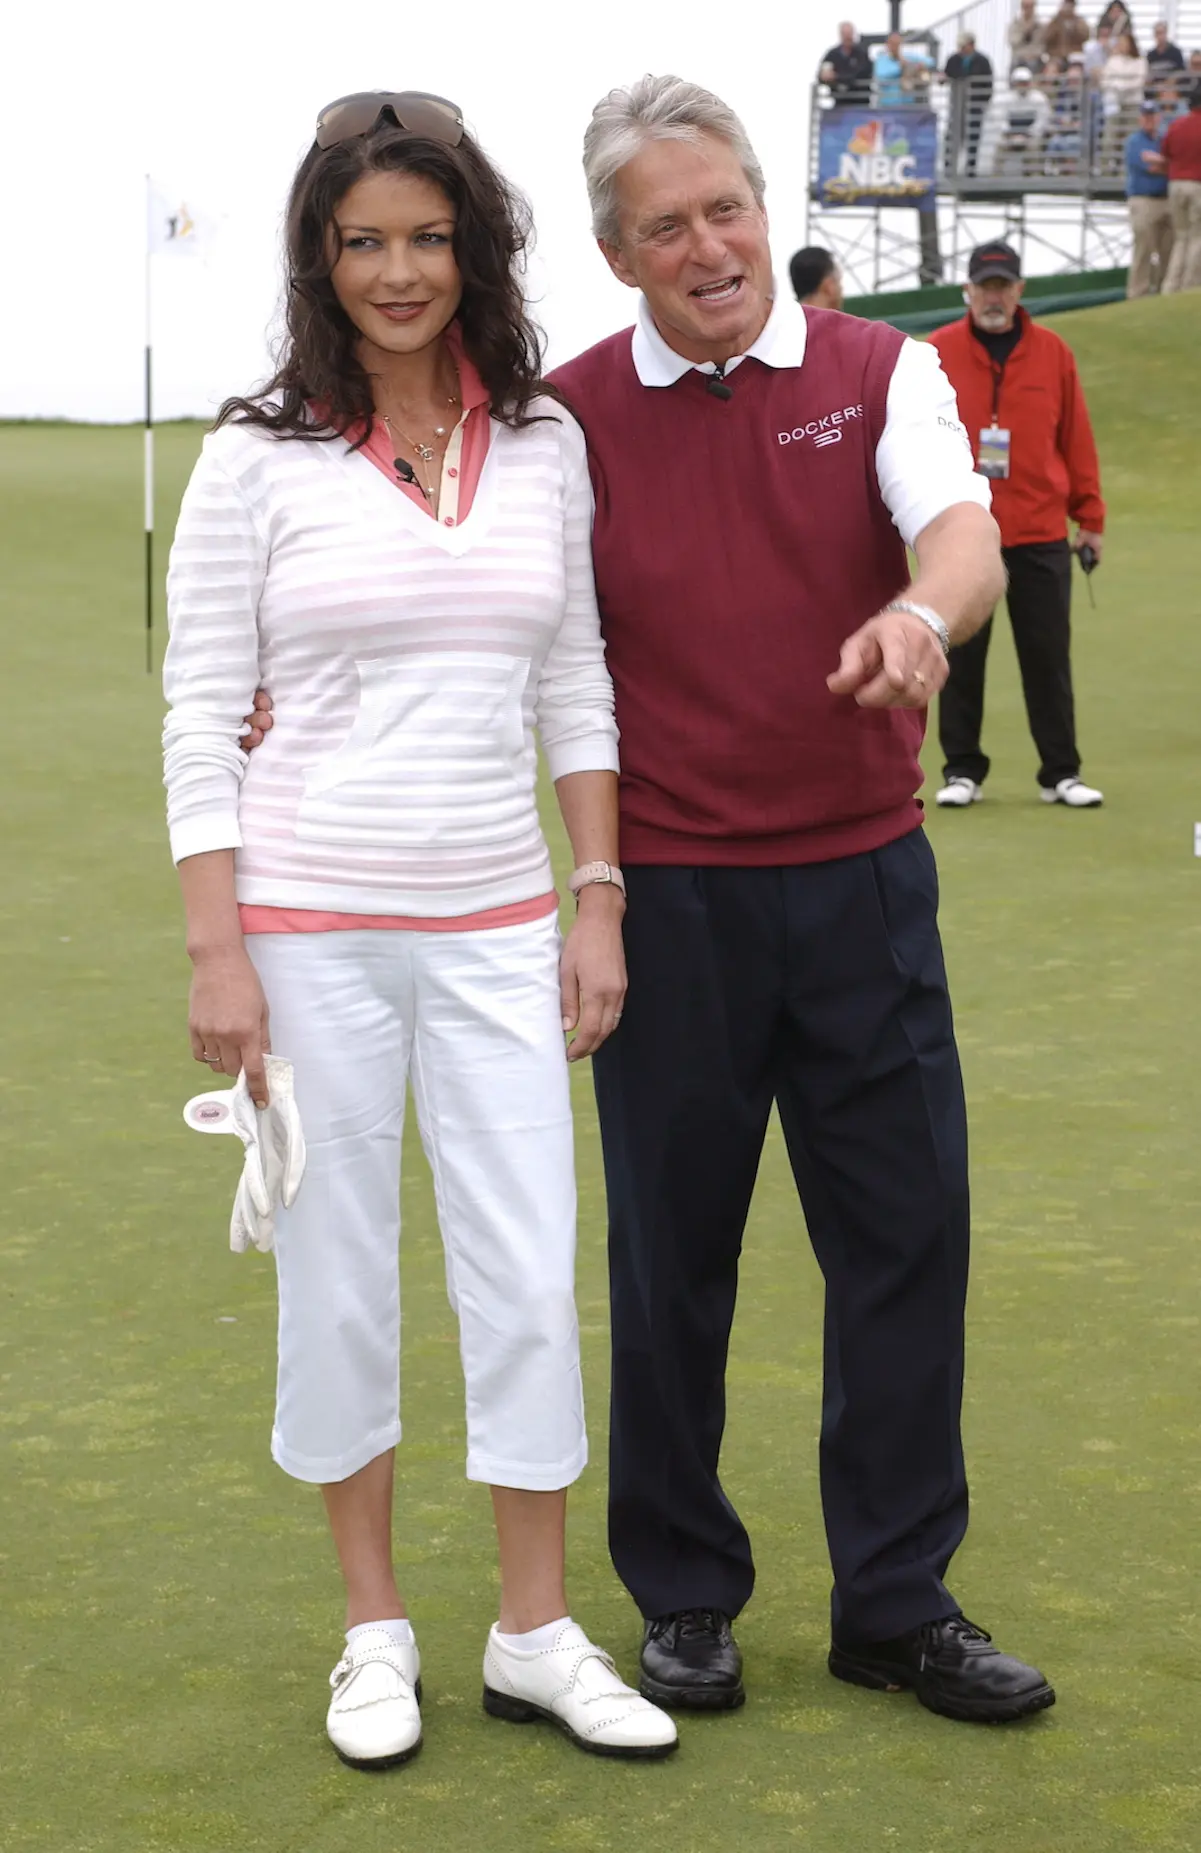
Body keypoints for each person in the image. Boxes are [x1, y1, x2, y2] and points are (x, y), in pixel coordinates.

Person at [162, 88, 678, 1770]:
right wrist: (215, 946)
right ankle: (371, 1626)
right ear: (322, 255)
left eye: (429, 238)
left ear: (476, 248)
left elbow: (576, 685)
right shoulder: (257, 456)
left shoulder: (544, 441)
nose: (400, 272)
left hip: (499, 918)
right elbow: (197, 715)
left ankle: (531, 1629)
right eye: (365, 241)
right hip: (307, 929)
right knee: (344, 1284)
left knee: (529, 1270)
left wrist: (596, 895)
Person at [549, 74, 1053, 1727]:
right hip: (677, 899)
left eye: (729, 207)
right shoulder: (571, 418)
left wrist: (921, 618)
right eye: (667, 224)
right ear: (618, 254)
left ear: (768, 211)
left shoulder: (875, 367)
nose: (710, 245)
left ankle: (895, 1600)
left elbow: (964, 538)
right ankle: (685, 1594)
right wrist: (599, 891)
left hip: (859, 887)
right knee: (672, 1256)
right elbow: (555, 670)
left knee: (905, 1240)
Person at [930, 242, 1106, 810]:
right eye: (985, 286)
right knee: (961, 655)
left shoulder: (1053, 353)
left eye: (1004, 286)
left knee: (1047, 656)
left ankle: (1061, 772)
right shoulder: (936, 352)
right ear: (968, 290)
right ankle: (961, 770)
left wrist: (1091, 518)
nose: (994, 297)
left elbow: (1075, 438)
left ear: (1020, 290)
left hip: (1040, 532)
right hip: (965, 534)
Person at [1125, 97, 1174, 295]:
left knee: (1168, 249)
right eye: (1145, 116)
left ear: (1159, 117)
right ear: (1140, 119)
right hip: (1143, 200)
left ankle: (1165, 291)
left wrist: (1164, 163)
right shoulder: (1134, 141)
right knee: (1143, 249)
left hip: (1166, 199)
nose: (1149, 119)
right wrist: (1167, 164)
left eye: (1152, 115)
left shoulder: (1164, 139)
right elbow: (1150, 167)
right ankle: (1138, 292)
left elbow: (1169, 164)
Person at [1159, 81, 1201, 290]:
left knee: (1181, 238)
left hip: (1175, 185)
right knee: (1197, 238)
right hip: (1197, 185)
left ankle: (1170, 285)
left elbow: (1165, 153)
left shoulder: (1177, 125)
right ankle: (1189, 285)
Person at [980, 66, 1052, 176]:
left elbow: (1042, 121)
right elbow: (1000, 120)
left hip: (1031, 137)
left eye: (1025, 83)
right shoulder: (1005, 99)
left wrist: (1028, 135)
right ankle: (996, 179)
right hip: (1010, 136)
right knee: (1000, 147)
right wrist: (1011, 134)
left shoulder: (1039, 98)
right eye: (1020, 83)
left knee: (1034, 148)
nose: (1022, 86)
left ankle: (1033, 179)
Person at [942, 33, 995, 174]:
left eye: (964, 46)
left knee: (973, 137)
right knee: (952, 137)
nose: (961, 49)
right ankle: (949, 167)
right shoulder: (953, 59)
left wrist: (982, 103)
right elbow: (946, 75)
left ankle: (970, 169)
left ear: (972, 45)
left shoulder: (982, 61)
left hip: (974, 106)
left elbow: (988, 84)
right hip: (957, 105)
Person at [1101, 30, 1148, 168]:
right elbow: (1105, 81)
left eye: (1124, 43)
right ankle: (1106, 171)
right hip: (1114, 104)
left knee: (1130, 138)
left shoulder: (1140, 61)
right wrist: (1118, 85)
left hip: (1133, 104)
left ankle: (1126, 171)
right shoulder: (1112, 61)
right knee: (1110, 138)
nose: (1121, 45)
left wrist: (1120, 84)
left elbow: (1139, 81)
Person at [873, 32, 935, 107]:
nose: (895, 46)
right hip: (888, 105)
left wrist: (919, 65)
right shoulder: (881, 59)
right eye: (893, 43)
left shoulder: (907, 56)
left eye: (898, 43)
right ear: (887, 44)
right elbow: (881, 75)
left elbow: (930, 61)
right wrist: (899, 68)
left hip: (908, 104)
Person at [819, 21, 873, 105]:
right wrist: (825, 76)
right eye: (845, 34)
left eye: (849, 34)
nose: (848, 37)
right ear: (840, 35)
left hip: (860, 104)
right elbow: (821, 76)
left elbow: (861, 73)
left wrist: (837, 77)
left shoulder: (861, 53)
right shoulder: (832, 54)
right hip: (840, 104)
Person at [1009, 0, 1047, 73]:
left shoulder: (1040, 26)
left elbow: (1042, 45)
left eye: (1030, 7)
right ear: (1022, 7)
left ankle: (1034, 84)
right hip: (1019, 57)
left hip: (1034, 58)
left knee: (1034, 64)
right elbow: (1012, 42)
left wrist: (1033, 55)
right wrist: (1024, 33)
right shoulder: (1015, 24)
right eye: (1026, 6)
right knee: (1014, 64)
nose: (1028, 9)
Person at [1146, 19, 1186, 89]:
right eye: (1157, 33)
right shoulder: (1150, 54)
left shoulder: (1176, 52)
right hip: (1154, 89)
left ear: (1166, 33)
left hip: (1172, 88)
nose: (1159, 36)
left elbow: (1181, 71)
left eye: (1161, 33)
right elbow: (1148, 73)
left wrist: (1168, 83)